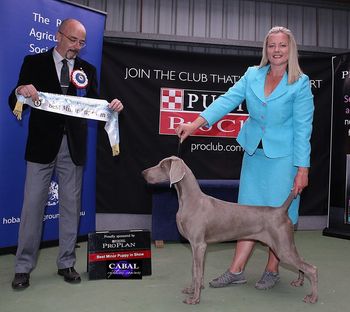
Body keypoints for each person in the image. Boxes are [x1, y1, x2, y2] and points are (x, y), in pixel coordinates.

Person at [175, 26, 314, 290]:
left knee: (275, 217)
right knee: (246, 215)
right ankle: (236, 270)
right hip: (254, 154)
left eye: (282, 45)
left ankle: (272, 270)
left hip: (284, 159)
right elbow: (227, 101)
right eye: (272, 45)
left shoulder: (301, 83)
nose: (276, 50)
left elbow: (303, 129)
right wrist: (195, 124)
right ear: (266, 49)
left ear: (290, 49)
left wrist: (302, 169)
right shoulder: (252, 75)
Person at [8, 18, 123, 290]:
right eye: (73, 40)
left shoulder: (87, 70)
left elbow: (96, 105)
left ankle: (66, 263)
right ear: (58, 36)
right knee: (32, 207)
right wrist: (21, 91)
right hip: (41, 146)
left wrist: (112, 106)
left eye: (82, 43)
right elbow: (14, 100)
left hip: (73, 147)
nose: (77, 47)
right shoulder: (33, 62)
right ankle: (23, 267)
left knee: (71, 208)